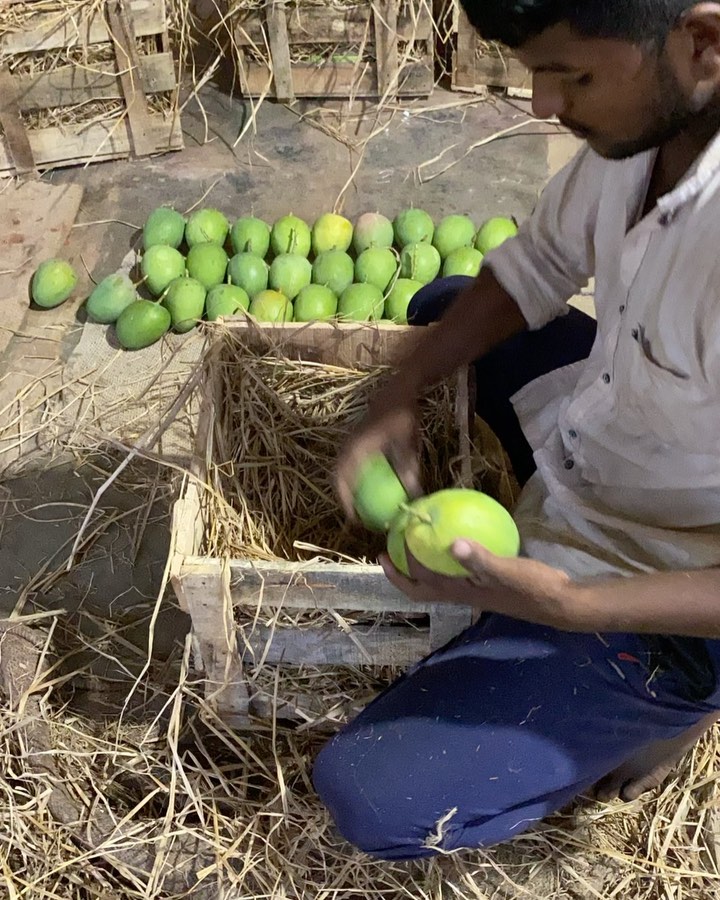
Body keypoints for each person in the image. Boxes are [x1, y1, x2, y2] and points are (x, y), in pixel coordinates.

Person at [311, 0, 720, 861]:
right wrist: (398, 388)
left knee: (373, 799)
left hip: (674, 581)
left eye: (573, 76)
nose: (541, 105)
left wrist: (571, 605)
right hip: (619, 443)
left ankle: (675, 700)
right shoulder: (647, 133)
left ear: (704, 42)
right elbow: (536, 264)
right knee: (448, 309)